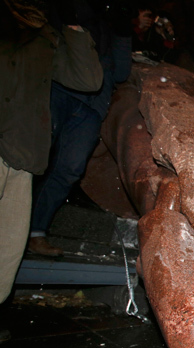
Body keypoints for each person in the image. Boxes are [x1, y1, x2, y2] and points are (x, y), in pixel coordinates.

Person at [0, 0, 103, 301]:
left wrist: (72, 27)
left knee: (8, 247)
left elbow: (88, 79)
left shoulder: (46, 34)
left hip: (22, 153)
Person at [28, 1, 132, 257]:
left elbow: (120, 72)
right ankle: (12, 227)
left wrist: (122, 30)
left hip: (92, 104)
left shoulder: (107, 21)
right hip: (57, 88)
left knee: (70, 169)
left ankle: (35, 232)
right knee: (31, 159)